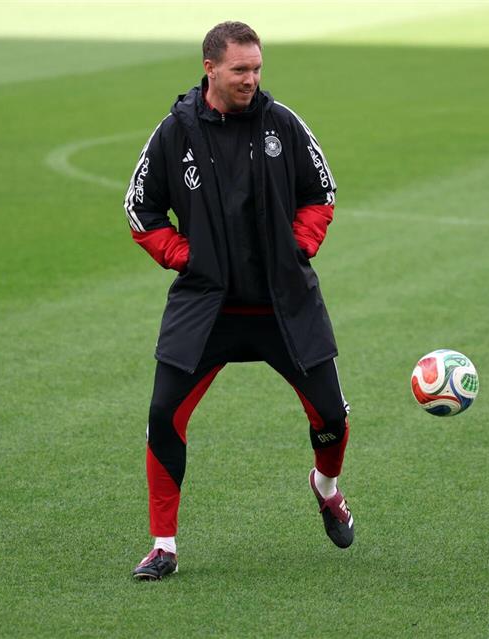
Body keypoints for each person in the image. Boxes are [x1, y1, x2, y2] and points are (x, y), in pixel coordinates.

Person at [123, 21, 353, 580]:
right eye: (239, 70)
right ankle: (163, 547)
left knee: (331, 415)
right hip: (208, 307)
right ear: (210, 69)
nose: (251, 79)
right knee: (163, 416)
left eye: (257, 68)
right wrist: (186, 257)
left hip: (283, 304)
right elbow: (140, 208)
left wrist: (299, 247)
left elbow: (320, 192)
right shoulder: (174, 133)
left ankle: (326, 488)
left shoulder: (283, 124)